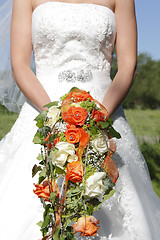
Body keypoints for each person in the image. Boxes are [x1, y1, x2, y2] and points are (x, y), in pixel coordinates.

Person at [0, 0, 160, 239]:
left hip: (105, 111)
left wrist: (98, 119)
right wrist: (54, 117)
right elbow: (20, 64)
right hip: (42, 108)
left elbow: (128, 66)